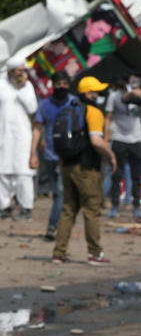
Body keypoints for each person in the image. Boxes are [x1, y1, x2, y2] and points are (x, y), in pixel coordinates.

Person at [51, 75, 117, 265]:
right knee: (91, 209)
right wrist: (110, 155)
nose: (98, 95)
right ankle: (95, 254)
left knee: (68, 209)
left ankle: (59, 252)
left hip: (67, 165)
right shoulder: (93, 111)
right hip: (87, 168)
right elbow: (96, 141)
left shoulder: (68, 108)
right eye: (96, 91)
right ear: (88, 93)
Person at [34, 70, 78, 238]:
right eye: (58, 84)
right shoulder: (45, 105)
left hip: (68, 156)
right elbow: (38, 129)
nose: (62, 87)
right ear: (53, 86)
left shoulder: (74, 103)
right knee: (57, 193)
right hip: (50, 155)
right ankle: (62, 224)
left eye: (65, 84)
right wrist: (33, 153)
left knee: (60, 192)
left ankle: (53, 227)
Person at [0, 56, 40, 220]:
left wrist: (21, 87)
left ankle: (26, 207)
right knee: (2, 173)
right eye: (18, 71)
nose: (21, 74)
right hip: (3, 135)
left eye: (23, 71)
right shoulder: (1, 84)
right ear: (10, 71)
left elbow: (32, 108)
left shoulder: (28, 86)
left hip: (23, 137)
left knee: (24, 174)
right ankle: (4, 207)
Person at [104, 73, 141, 221]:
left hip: (137, 138)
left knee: (136, 176)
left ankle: (136, 206)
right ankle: (115, 205)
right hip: (118, 137)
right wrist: (106, 135)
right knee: (116, 174)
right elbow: (108, 116)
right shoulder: (115, 96)